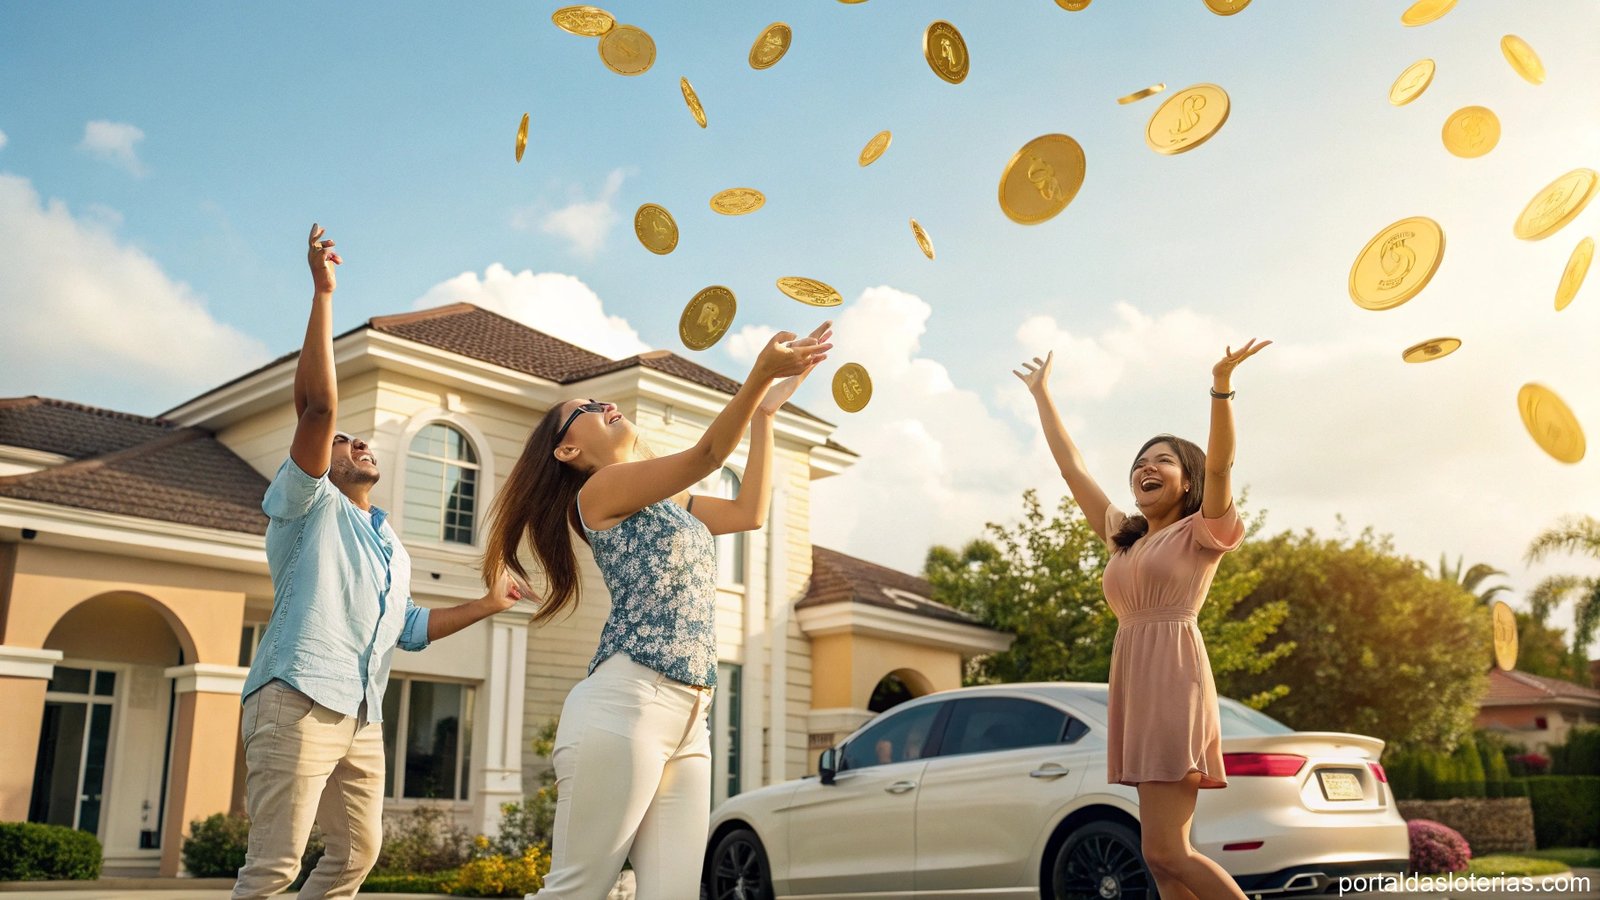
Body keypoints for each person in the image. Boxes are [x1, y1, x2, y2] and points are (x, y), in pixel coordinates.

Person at [483, 322, 833, 900]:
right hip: (628, 703)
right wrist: (757, 375)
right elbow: (708, 453)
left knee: (671, 894)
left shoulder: (669, 503)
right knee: (578, 889)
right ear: (569, 451)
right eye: (588, 409)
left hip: (691, 714)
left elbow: (749, 512)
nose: (606, 404)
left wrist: (767, 415)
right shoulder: (598, 493)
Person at [233, 225, 525, 899]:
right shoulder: (308, 508)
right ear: (317, 461)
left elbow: (409, 628)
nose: (356, 441)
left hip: (362, 714)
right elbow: (318, 405)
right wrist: (323, 293)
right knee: (274, 869)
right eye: (342, 443)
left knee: (358, 854)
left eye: (360, 441)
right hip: (299, 701)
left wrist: (490, 603)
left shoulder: (389, 540)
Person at [1015, 339, 1269, 900]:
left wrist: (1220, 385)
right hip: (1136, 682)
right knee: (1160, 862)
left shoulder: (1202, 530)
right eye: (1139, 462)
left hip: (1174, 678)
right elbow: (1070, 466)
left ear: (1187, 481)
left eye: (1164, 460)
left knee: (1167, 850)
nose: (1145, 467)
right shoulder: (1122, 540)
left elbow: (1223, 463)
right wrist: (1042, 396)